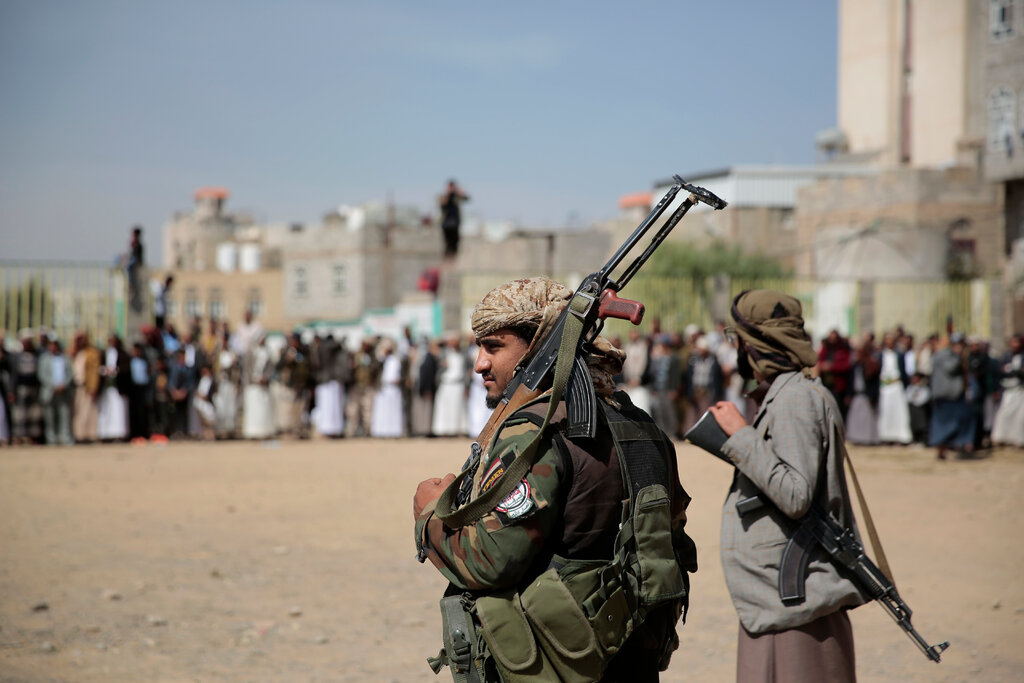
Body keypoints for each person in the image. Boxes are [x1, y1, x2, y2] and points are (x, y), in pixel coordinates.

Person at [413, 277, 697, 683]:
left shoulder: (535, 432)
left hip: (559, 663)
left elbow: (490, 562)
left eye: (493, 347)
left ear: (539, 347)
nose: (479, 363)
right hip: (631, 660)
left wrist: (429, 513)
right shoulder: (641, 424)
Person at [707, 290, 866, 683]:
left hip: (798, 607)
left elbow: (795, 494)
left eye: (738, 339)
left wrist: (741, 436)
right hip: (779, 602)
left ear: (753, 344)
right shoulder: (789, 393)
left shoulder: (795, 399)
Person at [929, 333, 975, 459]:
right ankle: (942, 449)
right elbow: (951, 368)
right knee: (944, 424)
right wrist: (958, 354)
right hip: (946, 395)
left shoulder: (950, 355)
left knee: (961, 421)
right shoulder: (944, 355)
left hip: (955, 395)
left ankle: (962, 446)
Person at [990, 334, 1024, 447]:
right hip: (1008, 390)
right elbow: (1000, 371)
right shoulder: (1006, 356)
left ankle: (1018, 439)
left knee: (1020, 417)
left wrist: (1017, 372)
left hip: (1020, 390)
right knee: (1003, 414)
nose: (1015, 345)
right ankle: (1001, 437)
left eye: (1017, 342)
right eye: (1013, 342)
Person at [38, 338, 74, 445]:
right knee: (49, 417)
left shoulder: (65, 358)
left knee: (64, 415)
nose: (53, 347)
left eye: (54, 345)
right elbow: (42, 375)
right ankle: (51, 439)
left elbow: (70, 374)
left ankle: (65, 437)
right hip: (49, 392)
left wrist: (63, 385)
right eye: (51, 345)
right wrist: (53, 386)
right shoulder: (43, 359)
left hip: (63, 391)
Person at [370, 338, 404, 437]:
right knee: (382, 411)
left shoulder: (396, 359)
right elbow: (374, 369)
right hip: (383, 388)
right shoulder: (380, 359)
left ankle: (394, 431)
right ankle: (381, 431)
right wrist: (381, 357)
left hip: (393, 388)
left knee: (393, 411)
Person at [438, 179, 469, 258]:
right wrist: (447, 195)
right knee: (447, 242)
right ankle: (447, 259)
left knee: (455, 242)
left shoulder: (457, 196)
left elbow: (467, 199)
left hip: (455, 222)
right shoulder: (444, 196)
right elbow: (442, 204)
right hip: (446, 223)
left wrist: (460, 192)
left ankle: (453, 259)